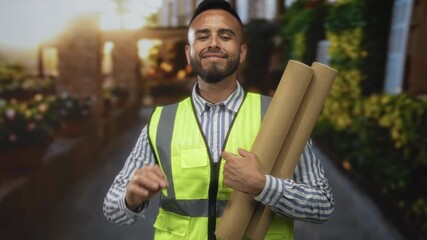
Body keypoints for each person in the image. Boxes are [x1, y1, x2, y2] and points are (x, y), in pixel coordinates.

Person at [103, 1, 334, 239]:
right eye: (203, 36)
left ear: (242, 51)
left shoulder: (279, 115)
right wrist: (130, 197)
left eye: (225, 36)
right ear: (188, 52)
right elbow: (112, 209)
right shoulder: (162, 122)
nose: (213, 43)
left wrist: (263, 186)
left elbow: (323, 204)